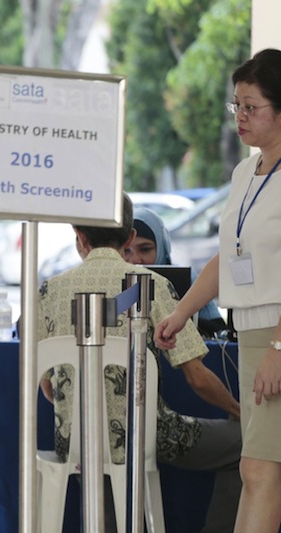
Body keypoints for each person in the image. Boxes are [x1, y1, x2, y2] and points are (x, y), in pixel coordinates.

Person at [40, 193, 242, 532]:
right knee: (246, 445)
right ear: (130, 236)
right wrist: (238, 411)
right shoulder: (149, 285)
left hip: (75, 439)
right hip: (148, 434)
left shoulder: (50, 290)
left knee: (99, 464)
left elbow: (48, 386)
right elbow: (197, 377)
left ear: (79, 236)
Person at [155, 48, 281, 532]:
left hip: (275, 334)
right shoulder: (244, 173)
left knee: (261, 468)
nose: (241, 116)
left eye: (252, 106)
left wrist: (277, 345)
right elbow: (227, 258)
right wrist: (182, 313)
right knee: (257, 467)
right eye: (237, 105)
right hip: (250, 332)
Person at [126, 206, 227, 336]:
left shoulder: (186, 279)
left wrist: (182, 318)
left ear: (162, 248)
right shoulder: (113, 279)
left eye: (145, 249)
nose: (135, 259)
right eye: (127, 250)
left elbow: (217, 329)